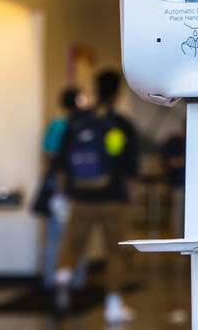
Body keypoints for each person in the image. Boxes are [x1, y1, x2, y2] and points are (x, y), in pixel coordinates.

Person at [53, 69, 139, 325]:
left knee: (71, 247)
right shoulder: (121, 124)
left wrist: (61, 195)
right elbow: (129, 168)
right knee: (115, 253)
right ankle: (113, 306)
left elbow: (61, 164)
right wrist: (129, 195)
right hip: (113, 197)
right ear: (118, 93)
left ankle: (62, 288)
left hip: (80, 197)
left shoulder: (77, 122)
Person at [37, 87, 80, 289]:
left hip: (57, 186)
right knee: (78, 236)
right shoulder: (80, 125)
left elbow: (48, 155)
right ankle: (76, 280)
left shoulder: (57, 126)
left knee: (54, 237)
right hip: (78, 186)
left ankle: (50, 280)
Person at [161, 130, 186, 238]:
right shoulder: (176, 142)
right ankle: (178, 238)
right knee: (178, 212)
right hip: (178, 184)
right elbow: (171, 162)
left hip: (195, 187)